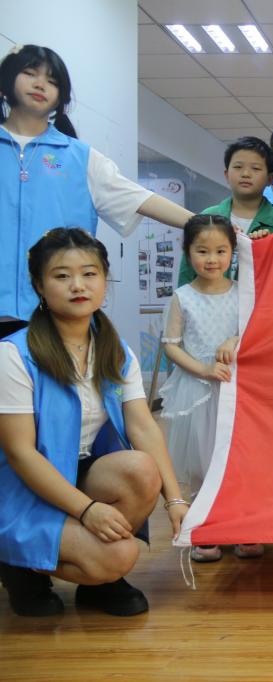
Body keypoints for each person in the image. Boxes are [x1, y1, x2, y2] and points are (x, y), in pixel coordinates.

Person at [0, 228, 188, 617]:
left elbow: (143, 427)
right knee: (119, 555)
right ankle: (20, 569)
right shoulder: (13, 355)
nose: (78, 285)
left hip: (80, 472)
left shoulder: (115, 351)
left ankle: (97, 585)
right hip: (21, 487)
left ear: (104, 280)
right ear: (39, 286)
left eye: (89, 273)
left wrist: (175, 500)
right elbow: (20, 454)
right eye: (62, 275)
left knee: (141, 469)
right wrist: (88, 511)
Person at [0, 44, 192, 338]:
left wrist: (205, 223)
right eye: (29, 73)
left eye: (52, 81)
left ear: (61, 97)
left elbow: (139, 199)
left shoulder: (81, 158)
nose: (40, 85)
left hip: (58, 313)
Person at [160, 216, 248, 562]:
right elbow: (171, 345)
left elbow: (255, 329)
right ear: (187, 253)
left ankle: (241, 525)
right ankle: (206, 529)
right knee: (202, 463)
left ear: (233, 253)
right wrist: (204, 369)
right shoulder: (183, 297)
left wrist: (234, 339)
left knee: (237, 460)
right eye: (202, 251)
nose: (212, 259)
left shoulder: (243, 293)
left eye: (221, 251)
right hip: (197, 390)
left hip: (237, 391)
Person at [177, 137, 273, 285]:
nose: (245, 174)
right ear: (226, 175)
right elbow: (187, 270)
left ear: (270, 179)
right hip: (211, 298)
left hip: (261, 299)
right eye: (238, 167)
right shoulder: (208, 216)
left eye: (255, 168)